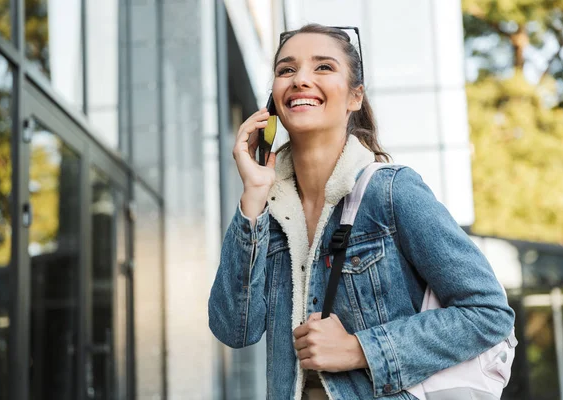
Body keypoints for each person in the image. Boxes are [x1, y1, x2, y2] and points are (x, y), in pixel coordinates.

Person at [208, 24, 515, 400]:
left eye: (323, 67)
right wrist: (254, 195)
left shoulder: (391, 192)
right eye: (286, 70)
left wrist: (361, 349)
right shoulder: (267, 214)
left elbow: (488, 312)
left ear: (355, 97)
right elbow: (234, 330)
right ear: (272, 102)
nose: (301, 79)